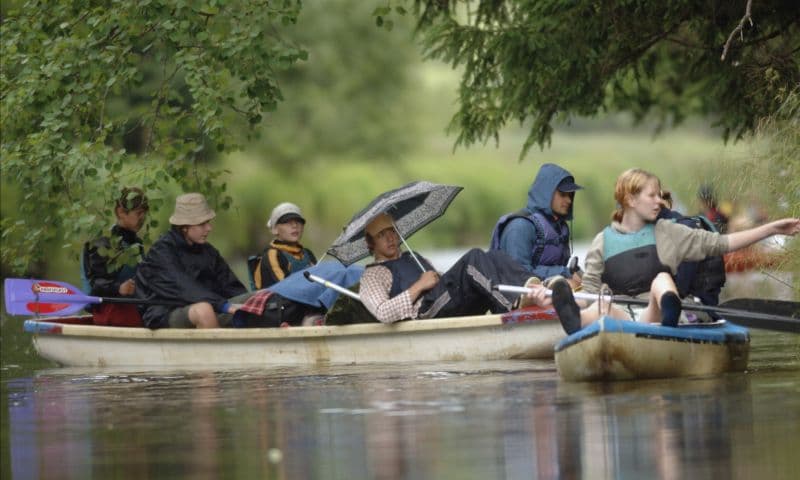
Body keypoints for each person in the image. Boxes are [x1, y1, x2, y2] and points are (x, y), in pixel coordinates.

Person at [523, 168, 800, 335]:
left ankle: (670, 323)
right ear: (630, 200)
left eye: (659, 195)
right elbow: (588, 294)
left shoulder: (669, 231)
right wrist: (552, 302)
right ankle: (573, 323)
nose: (660, 201)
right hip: (622, 317)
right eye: (652, 195)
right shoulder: (602, 241)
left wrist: (772, 229)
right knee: (600, 305)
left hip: (658, 319)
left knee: (661, 281)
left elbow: (722, 244)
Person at [359, 213, 533, 324]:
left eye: (392, 232)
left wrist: (439, 277)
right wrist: (419, 286)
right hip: (424, 314)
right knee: (473, 258)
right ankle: (514, 305)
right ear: (370, 242)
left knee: (494, 256)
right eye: (381, 235)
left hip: (444, 304)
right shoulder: (372, 275)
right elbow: (383, 313)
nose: (390, 239)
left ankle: (533, 288)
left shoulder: (414, 257)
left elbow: (445, 285)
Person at [135, 193, 250, 329]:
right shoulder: (161, 252)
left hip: (212, 305)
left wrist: (251, 304)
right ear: (184, 227)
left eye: (208, 222)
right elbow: (184, 287)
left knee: (257, 299)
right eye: (202, 224)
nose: (209, 228)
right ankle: (218, 350)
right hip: (165, 312)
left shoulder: (209, 251)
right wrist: (222, 305)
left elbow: (232, 287)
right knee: (204, 311)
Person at [490, 163, 583, 289]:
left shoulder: (560, 227)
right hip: (514, 299)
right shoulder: (519, 227)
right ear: (547, 193)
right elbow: (520, 274)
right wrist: (564, 273)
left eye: (570, 195)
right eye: (563, 194)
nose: (569, 200)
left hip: (545, 292)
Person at [80, 187, 149, 326]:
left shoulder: (137, 244)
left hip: (129, 306)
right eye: (139, 213)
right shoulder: (103, 243)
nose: (143, 218)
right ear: (121, 212)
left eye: (145, 213)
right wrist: (119, 288)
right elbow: (97, 284)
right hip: (107, 310)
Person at [251, 202, 317, 289]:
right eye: (287, 222)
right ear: (275, 230)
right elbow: (285, 288)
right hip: (281, 301)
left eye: (298, 222)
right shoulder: (272, 255)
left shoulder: (307, 253)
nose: (294, 225)